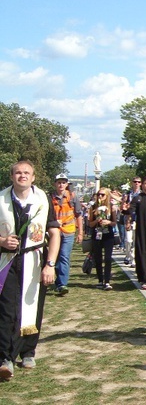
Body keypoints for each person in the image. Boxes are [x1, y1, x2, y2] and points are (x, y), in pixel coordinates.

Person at [0, 161, 61, 380]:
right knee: (7, 309)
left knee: (33, 306)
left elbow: (54, 233)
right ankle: (5, 357)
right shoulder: (1, 199)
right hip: (6, 261)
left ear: (33, 177)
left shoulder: (43, 200)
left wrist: (50, 264)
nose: (22, 176)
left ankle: (28, 351)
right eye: (18, 172)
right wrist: (2, 241)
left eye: (26, 173)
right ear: (11, 176)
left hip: (34, 260)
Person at [49, 173, 83, 294]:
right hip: (55, 231)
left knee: (64, 256)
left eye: (63, 182)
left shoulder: (72, 197)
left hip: (69, 230)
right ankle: (58, 281)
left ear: (67, 184)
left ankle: (62, 284)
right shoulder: (50, 197)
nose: (61, 184)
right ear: (55, 184)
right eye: (59, 182)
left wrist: (80, 233)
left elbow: (78, 215)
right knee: (56, 257)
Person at [88, 188, 118, 290]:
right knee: (98, 258)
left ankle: (107, 281)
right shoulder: (93, 206)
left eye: (102, 195)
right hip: (97, 234)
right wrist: (97, 220)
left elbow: (114, 222)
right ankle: (100, 280)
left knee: (108, 258)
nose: (100, 197)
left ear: (107, 196)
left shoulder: (111, 207)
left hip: (108, 234)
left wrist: (108, 222)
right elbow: (90, 224)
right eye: (98, 194)